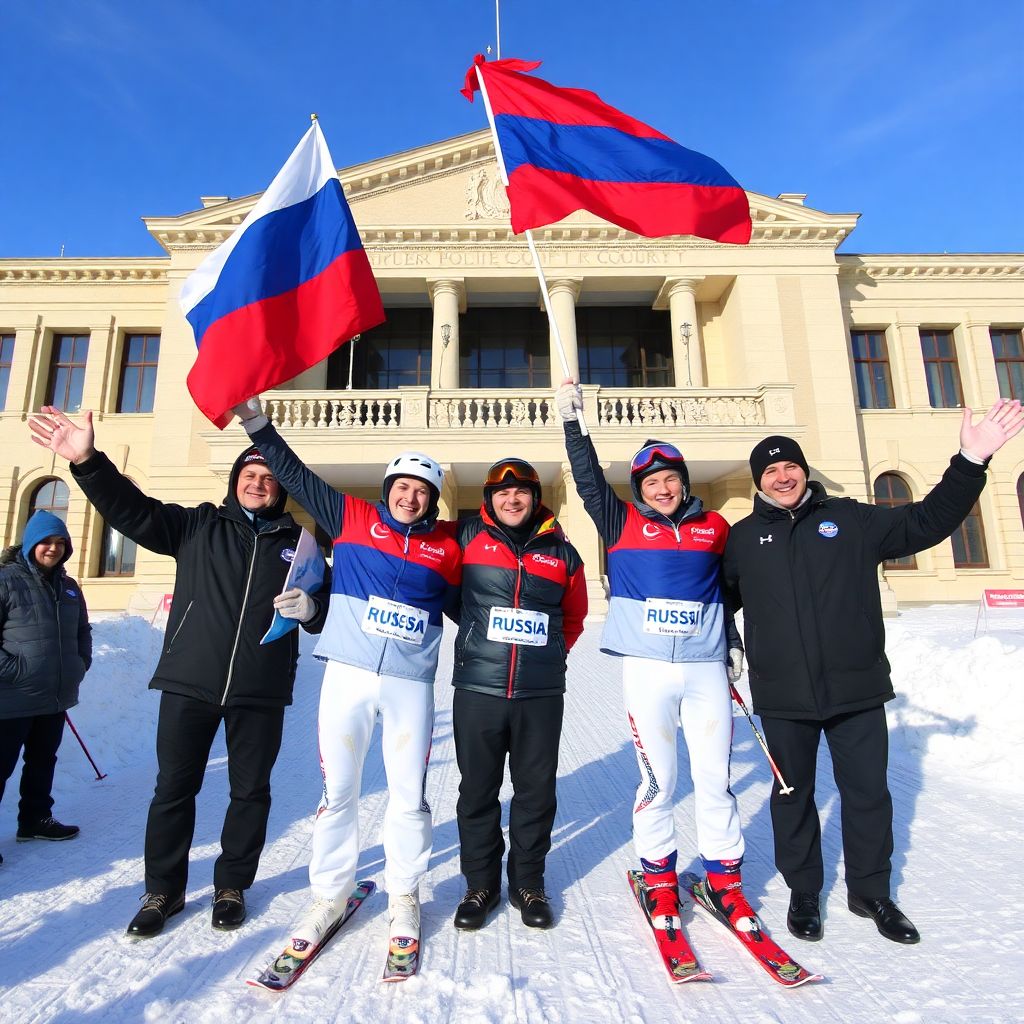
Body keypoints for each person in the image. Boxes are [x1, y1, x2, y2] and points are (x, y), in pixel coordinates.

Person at [721, 398, 1024, 945]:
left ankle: (870, 891)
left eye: (790, 466)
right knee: (792, 795)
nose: (783, 476)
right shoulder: (743, 539)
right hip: (782, 694)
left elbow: (926, 521)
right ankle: (804, 891)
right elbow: (718, 600)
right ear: (759, 482)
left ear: (803, 470)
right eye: (771, 470)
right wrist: (725, 641)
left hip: (855, 687)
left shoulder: (850, 519)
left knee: (866, 794)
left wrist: (970, 461)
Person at [28, 406, 331, 937]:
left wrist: (313, 609)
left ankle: (232, 884)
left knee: (250, 792)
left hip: (260, 690)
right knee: (173, 790)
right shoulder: (197, 526)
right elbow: (133, 511)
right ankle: (162, 892)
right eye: (249, 476)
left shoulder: (300, 546)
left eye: (267, 478)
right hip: (191, 683)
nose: (258, 484)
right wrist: (88, 461)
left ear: (279, 488)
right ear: (236, 482)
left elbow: (322, 609)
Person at [231, 398, 461, 960]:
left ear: (432, 500)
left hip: (410, 684)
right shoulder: (351, 518)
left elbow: (476, 603)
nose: (410, 498)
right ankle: (328, 894)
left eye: (422, 491)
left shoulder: (446, 547)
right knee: (339, 794)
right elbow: (294, 475)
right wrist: (257, 424)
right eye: (402, 487)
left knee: (409, 796)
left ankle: (404, 892)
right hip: (348, 677)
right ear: (387, 490)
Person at [555, 381, 754, 934]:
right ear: (640, 488)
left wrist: (731, 641)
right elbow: (590, 482)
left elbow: (725, 591)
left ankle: (724, 878)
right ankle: (659, 877)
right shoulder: (620, 523)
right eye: (651, 481)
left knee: (716, 777)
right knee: (659, 781)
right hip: (647, 670)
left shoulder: (715, 527)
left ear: (684, 483)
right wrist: (575, 424)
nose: (663, 488)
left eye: (671, 479)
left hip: (704, 669)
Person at [451, 458, 587, 931]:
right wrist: (477, 640)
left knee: (535, 793)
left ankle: (528, 883)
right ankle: (480, 885)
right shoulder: (465, 539)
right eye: (503, 494)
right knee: (477, 793)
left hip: (540, 694)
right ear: (490, 500)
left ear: (535, 498)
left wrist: (546, 654)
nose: (513, 500)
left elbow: (573, 619)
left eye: (522, 493)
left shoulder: (565, 555)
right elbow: (447, 593)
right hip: (478, 689)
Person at [0, 510, 92, 865]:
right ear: (31, 544)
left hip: (54, 697)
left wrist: (80, 664)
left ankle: (35, 819)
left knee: (42, 761)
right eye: (46, 542)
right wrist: (17, 670)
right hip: (13, 697)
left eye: (59, 543)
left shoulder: (69, 587)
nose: (53, 548)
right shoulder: (6, 580)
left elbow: (83, 631)